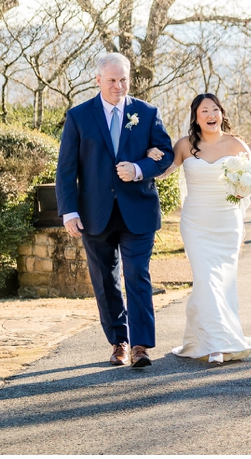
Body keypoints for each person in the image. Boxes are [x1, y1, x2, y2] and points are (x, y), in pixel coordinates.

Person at [56, 53, 174, 368]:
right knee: (105, 280)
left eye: (123, 80)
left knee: (137, 275)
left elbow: (166, 154)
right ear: (98, 80)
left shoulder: (147, 114)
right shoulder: (79, 116)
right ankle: (118, 343)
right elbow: (66, 168)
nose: (118, 86)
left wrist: (138, 168)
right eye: (112, 80)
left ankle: (140, 346)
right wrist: (68, 211)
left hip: (139, 211)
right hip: (95, 213)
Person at [149, 93, 251, 364]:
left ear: (221, 114)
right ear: (196, 117)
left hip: (227, 223)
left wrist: (244, 193)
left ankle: (215, 338)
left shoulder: (237, 145)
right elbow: (163, 172)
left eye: (214, 109)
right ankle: (217, 343)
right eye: (204, 111)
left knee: (222, 282)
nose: (210, 114)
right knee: (206, 280)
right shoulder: (184, 145)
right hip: (195, 224)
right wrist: (151, 155)